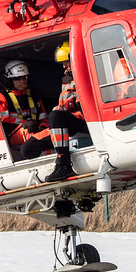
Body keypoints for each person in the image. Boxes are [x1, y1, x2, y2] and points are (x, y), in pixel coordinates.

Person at [45, 41, 89, 182]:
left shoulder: (86, 71)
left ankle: (63, 164)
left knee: (56, 116)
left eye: (66, 62)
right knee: (27, 148)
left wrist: (65, 108)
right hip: (69, 123)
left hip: (86, 120)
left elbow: (86, 99)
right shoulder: (66, 79)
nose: (64, 66)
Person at [0, 60, 51, 160]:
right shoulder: (1, 96)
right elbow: (3, 121)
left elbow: (44, 117)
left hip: (35, 129)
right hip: (13, 134)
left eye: (25, 77)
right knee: (30, 126)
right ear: (9, 80)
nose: (22, 81)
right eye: (17, 78)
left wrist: (43, 126)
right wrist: (26, 123)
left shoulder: (33, 95)